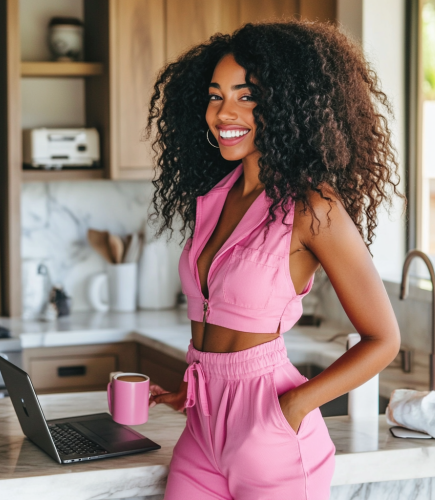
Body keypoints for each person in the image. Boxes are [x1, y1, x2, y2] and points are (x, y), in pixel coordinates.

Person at [146, 20, 402, 500]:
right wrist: (202, 386)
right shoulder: (215, 198)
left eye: (247, 96)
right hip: (202, 431)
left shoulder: (312, 207)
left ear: (286, 106)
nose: (225, 112)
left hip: (272, 435)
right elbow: (212, 315)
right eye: (215, 94)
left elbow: (383, 339)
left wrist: (294, 406)